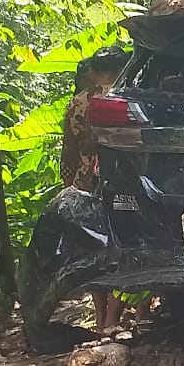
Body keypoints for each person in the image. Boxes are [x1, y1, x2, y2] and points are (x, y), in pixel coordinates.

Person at [60, 47, 138, 332]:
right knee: (126, 244)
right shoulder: (130, 96)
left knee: (93, 247)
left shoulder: (78, 103)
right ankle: (115, 319)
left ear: (92, 72)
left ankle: (100, 316)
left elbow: (69, 149)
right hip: (124, 180)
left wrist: (69, 185)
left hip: (85, 182)